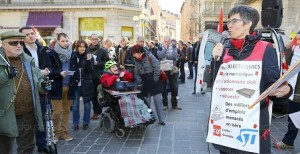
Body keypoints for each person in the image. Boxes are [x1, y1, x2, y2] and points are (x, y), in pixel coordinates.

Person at [211, 5, 293, 154]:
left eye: (234, 21)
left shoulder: (266, 49)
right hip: (227, 126)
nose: (229, 25)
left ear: (249, 23)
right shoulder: (225, 49)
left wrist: (285, 92)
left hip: (252, 128)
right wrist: (215, 60)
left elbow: (273, 86)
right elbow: (217, 86)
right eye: (228, 21)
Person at [0, 30, 50, 153]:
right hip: (4, 115)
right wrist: (3, 76)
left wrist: (43, 86)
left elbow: (38, 81)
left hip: (27, 113)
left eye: (20, 42)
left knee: (27, 147)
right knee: (4, 149)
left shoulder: (28, 60)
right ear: (3, 44)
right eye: (13, 42)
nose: (18, 45)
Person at [19, 26, 54, 153]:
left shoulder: (42, 49)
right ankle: (26, 146)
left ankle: (42, 145)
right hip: (26, 89)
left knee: (42, 117)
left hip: (41, 87)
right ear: (22, 38)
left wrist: (47, 71)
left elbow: (50, 66)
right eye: (27, 34)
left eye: (32, 33)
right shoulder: (19, 50)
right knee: (27, 120)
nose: (30, 36)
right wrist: (38, 72)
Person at [273, 31, 300, 149]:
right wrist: (288, 48)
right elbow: (285, 62)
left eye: (299, 39)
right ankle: (288, 141)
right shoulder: (295, 49)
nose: (297, 41)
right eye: (296, 39)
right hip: (293, 90)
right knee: (293, 118)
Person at [131, 45, 166, 125]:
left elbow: (157, 67)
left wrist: (155, 79)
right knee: (146, 102)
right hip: (145, 83)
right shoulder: (136, 60)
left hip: (155, 82)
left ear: (139, 52)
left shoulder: (149, 56)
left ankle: (161, 120)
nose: (133, 55)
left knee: (158, 101)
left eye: (134, 53)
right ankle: (148, 118)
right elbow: (136, 73)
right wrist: (140, 82)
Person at [68, 40, 95, 130]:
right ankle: (76, 123)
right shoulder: (73, 55)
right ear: (77, 47)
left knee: (87, 104)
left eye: (84, 47)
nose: (82, 48)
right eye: (80, 46)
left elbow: (91, 70)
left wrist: (88, 61)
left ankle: (86, 122)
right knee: (75, 105)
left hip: (86, 83)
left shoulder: (89, 56)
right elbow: (71, 68)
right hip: (76, 84)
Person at [52, 32, 73, 142]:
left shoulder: (72, 53)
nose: (65, 43)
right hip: (57, 86)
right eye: (62, 41)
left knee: (66, 110)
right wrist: (58, 73)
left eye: (66, 41)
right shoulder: (52, 53)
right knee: (56, 112)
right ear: (58, 41)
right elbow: (49, 70)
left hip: (69, 85)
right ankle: (55, 133)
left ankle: (64, 132)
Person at [157, 35, 182, 110]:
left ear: (170, 41)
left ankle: (174, 105)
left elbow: (174, 56)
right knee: (163, 88)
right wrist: (165, 49)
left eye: (168, 41)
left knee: (174, 87)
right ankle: (165, 104)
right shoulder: (160, 46)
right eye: (165, 41)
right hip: (163, 71)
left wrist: (165, 56)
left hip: (172, 70)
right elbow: (160, 56)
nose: (166, 43)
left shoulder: (174, 46)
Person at [88, 33, 110, 120]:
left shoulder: (103, 50)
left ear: (99, 40)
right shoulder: (87, 50)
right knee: (92, 96)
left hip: (98, 76)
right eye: (93, 39)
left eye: (96, 39)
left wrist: (98, 63)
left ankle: (99, 112)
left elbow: (108, 63)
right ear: (90, 39)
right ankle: (96, 112)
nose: (94, 40)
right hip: (89, 76)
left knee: (99, 95)